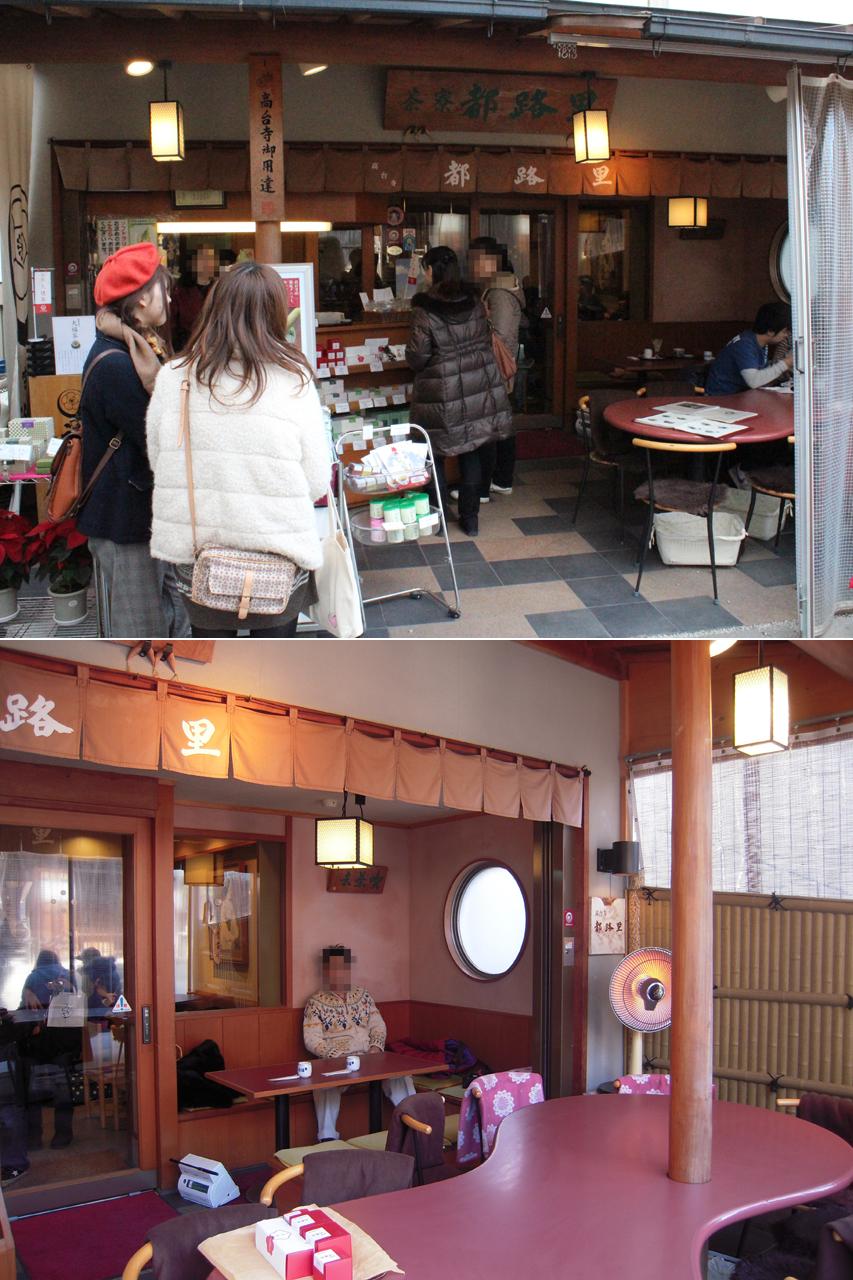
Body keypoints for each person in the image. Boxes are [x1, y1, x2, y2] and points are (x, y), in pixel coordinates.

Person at [146, 261, 330, 637]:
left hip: (199, 557)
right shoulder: (293, 380)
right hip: (279, 554)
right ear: (276, 314)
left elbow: (159, 461)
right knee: (276, 662)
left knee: (212, 656)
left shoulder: (174, 378)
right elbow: (315, 480)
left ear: (213, 308)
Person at [80, 241, 190, 637]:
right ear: (142, 298)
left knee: (171, 621)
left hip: (139, 515)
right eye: (164, 288)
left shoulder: (136, 348)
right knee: (143, 635)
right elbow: (157, 437)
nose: (170, 297)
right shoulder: (117, 364)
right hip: (124, 522)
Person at [406, 245, 512, 537]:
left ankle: (438, 519)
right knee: (472, 450)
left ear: (431, 270)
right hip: (478, 386)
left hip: (440, 391)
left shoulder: (424, 309)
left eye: (426, 269)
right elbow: (483, 340)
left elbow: (417, 357)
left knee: (434, 454)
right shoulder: (475, 301)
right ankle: (471, 519)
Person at [302, 946, 414, 1142]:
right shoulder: (315, 1002)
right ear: (325, 971)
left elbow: (378, 1026)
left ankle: (416, 1126)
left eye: (342, 968)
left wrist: (375, 1048)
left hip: (370, 1057)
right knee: (324, 1085)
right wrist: (336, 1056)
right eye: (333, 968)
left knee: (400, 1075)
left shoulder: (364, 996)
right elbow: (312, 1039)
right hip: (337, 1062)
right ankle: (327, 1139)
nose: (338, 973)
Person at [467, 235, 524, 498]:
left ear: (494, 261)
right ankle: (501, 479)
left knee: (494, 425)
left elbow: (500, 336)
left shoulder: (500, 293)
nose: (473, 266)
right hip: (497, 367)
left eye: (477, 260)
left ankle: (491, 482)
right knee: (501, 422)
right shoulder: (496, 288)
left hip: (494, 367)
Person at [19, 951, 78, 1152]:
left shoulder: (32, 979)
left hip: (35, 1042)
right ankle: (63, 1134)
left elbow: (23, 1010)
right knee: (62, 1089)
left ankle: (34, 1137)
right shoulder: (67, 976)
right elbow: (78, 1007)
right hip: (62, 1041)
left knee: (32, 1092)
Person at [705, 302, 794, 396]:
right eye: (785, 331)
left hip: (740, 396)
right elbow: (754, 381)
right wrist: (786, 363)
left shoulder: (757, 341)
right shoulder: (744, 345)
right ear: (770, 331)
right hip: (721, 398)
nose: (787, 335)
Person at [170, 246, 215, 354]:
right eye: (203, 260)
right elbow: (172, 325)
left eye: (211, 260)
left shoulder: (218, 288)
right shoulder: (179, 291)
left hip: (213, 346)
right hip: (186, 347)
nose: (208, 264)